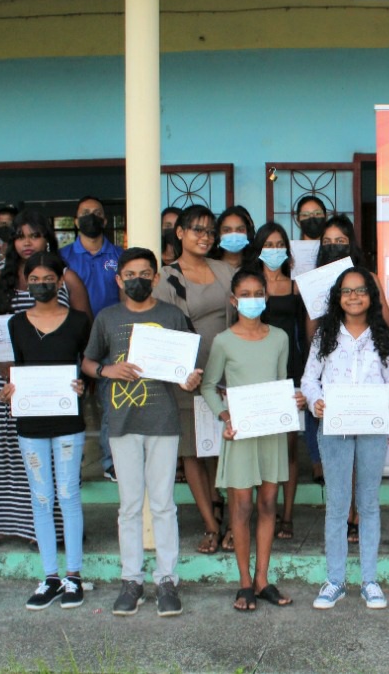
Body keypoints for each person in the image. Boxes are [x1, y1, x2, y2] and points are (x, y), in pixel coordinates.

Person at [83, 247, 202, 618]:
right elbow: (87, 361)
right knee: (130, 506)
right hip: (121, 423)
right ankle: (131, 579)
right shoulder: (106, 317)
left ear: (155, 277)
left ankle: (167, 579)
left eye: (145, 273)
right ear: (119, 279)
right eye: (130, 274)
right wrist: (106, 371)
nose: (137, 279)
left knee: (164, 504)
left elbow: (190, 366)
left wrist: (190, 379)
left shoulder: (171, 315)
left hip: (163, 421)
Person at [0, 211, 91, 545]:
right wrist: (5, 373)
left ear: (48, 238)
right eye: (20, 236)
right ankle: (5, 526)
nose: (27, 242)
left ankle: (54, 531)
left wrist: (78, 382)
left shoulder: (66, 277)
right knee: (10, 457)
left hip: (55, 386)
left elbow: (83, 331)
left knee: (58, 468)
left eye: (35, 235)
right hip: (11, 385)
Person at [202, 268, 306, 612]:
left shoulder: (279, 337)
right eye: (244, 294)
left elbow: (280, 383)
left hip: (271, 432)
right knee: (242, 506)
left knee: (267, 505)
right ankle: (244, 582)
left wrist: (293, 401)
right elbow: (208, 385)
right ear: (234, 300)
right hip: (241, 432)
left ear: (266, 297)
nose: (252, 299)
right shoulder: (223, 341)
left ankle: (263, 580)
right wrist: (224, 415)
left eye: (257, 293)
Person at [302, 267, 389, 610]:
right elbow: (308, 379)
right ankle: (334, 580)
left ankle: (370, 581)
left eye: (361, 291)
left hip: (373, 427)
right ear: (338, 297)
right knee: (336, 505)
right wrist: (316, 400)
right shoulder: (324, 336)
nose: (354, 297)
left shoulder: (382, 336)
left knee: (368, 504)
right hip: (334, 427)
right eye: (347, 291)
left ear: (371, 297)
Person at [0, 251, 91, 610]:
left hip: (68, 421)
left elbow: (87, 366)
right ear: (26, 282)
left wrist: (84, 384)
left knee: (68, 494)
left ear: (61, 279)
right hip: (30, 423)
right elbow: (19, 370)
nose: (41, 285)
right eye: (33, 279)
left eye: (47, 278)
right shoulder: (16, 324)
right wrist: (10, 390)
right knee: (41, 497)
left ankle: (74, 576)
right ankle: (50, 577)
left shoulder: (80, 321)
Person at [154, 205, 233, 555]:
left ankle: (230, 517)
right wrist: (179, 372)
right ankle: (211, 525)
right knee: (193, 452)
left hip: (228, 374)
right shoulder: (166, 277)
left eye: (210, 231)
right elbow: (160, 330)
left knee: (223, 445)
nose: (204, 236)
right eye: (196, 230)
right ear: (180, 233)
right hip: (185, 376)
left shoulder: (227, 270)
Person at [244, 222, 306, 541]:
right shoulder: (249, 285)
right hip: (255, 370)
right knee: (258, 445)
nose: (273, 249)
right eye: (267, 244)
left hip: (290, 369)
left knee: (289, 447)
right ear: (258, 248)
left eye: (279, 243)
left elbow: (305, 333)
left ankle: (287, 515)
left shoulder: (296, 286)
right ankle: (260, 510)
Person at [59, 195, 124, 481]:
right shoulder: (62, 258)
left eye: (96, 213)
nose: (91, 217)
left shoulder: (119, 256)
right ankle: (72, 464)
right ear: (75, 221)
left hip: (110, 339)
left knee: (111, 403)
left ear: (105, 220)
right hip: (71, 339)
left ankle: (111, 463)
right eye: (85, 213)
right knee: (72, 402)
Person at [293, 195, 328, 485]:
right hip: (297, 327)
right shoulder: (291, 254)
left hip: (329, 329)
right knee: (307, 391)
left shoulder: (334, 250)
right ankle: (315, 460)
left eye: (318, 213)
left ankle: (326, 459)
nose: (312, 218)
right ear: (297, 220)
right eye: (306, 214)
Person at [209, 205, 254, 270]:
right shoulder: (209, 266)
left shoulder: (256, 266)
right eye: (227, 230)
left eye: (240, 230)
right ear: (219, 234)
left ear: (248, 233)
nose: (234, 235)